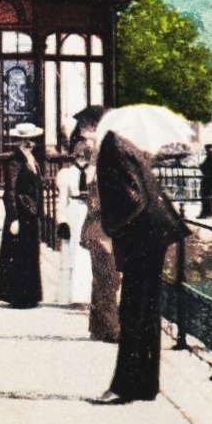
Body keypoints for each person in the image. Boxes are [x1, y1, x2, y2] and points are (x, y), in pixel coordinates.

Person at [97, 131, 186, 401]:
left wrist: (109, 228)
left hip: (141, 236)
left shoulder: (111, 147)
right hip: (155, 233)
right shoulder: (129, 144)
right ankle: (146, 385)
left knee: (133, 311)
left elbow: (132, 199)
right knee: (147, 310)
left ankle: (124, 387)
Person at [0, 123, 44, 308]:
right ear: (19, 141)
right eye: (25, 140)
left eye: (31, 140)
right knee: (20, 254)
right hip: (21, 213)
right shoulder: (16, 161)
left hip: (30, 212)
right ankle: (19, 296)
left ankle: (30, 295)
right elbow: (11, 190)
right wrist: (13, 217)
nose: (29, 143)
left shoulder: (31, 159)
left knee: (29, 253)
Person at [81, 144, 121, 344]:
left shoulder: (104, 180)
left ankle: (98, 327)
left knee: (104, 279)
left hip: (102, 233)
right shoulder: (98, 182)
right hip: (100, 233)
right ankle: (112, 329)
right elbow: (97, 209)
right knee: (107, 279)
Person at [54, 139, 94, 305]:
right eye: (79, 155)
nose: (81, 158)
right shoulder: (67, 174)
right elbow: (62, 199)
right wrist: (61, 221)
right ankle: (69, 294)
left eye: (84, 154)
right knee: (71, 250)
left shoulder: (94, 172)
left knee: (88, 252)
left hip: (89, 210)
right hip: (74, 210)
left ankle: (86, 294)